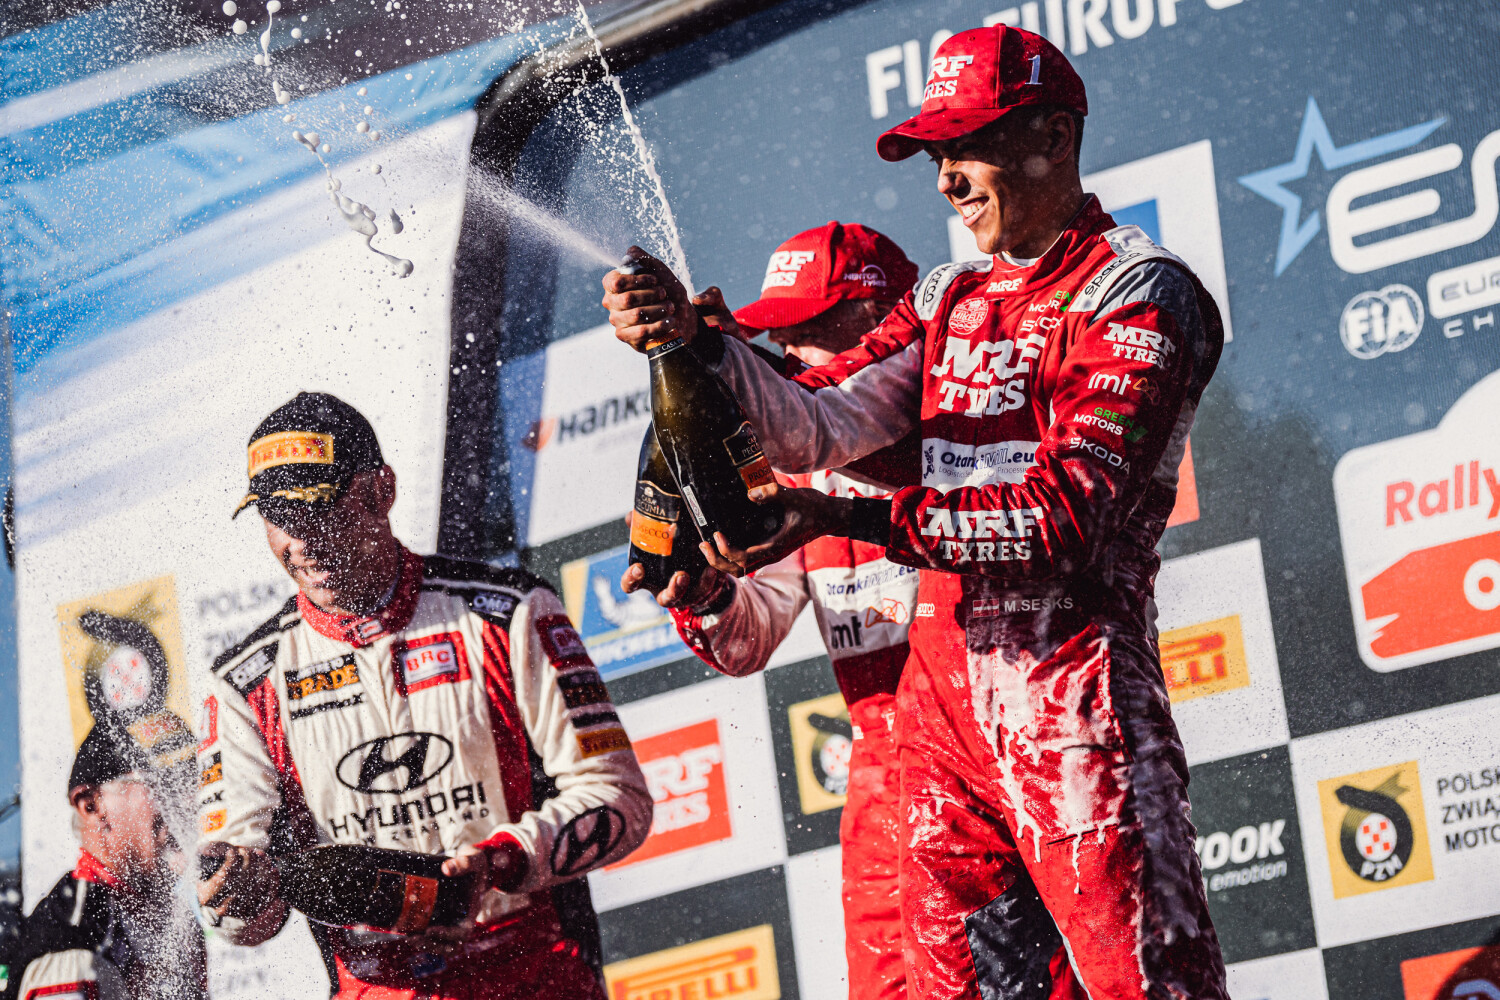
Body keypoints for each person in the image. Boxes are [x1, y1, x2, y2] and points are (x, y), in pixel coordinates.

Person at [602, 24, 1229, 1000]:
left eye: (967, 147)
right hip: (938, 727)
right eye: (936, 154)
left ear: (1056, 136)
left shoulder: (1139, 294)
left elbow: (1062, 522)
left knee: (1147, 988)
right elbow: (816, 423)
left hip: (1075, 703)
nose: (946, 178)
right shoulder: (948, 296)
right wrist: (698, 345)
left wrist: (835, 518)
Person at [197, 392, 652, 999]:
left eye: (317, 508)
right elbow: (240, 923)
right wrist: (237, 895)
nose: (300, 541)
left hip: (532, 970)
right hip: (376, 987)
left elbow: (621, 799)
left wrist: (499, 863)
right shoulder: (244, 685)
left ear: (380, 491)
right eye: (278, 517)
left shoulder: (507, 614)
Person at [628, 220, 922, 1000]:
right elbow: (748, 639)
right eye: (778, 334)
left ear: (883, 319)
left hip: (989, 741)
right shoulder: (793, 469)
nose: (790, 350)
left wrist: (735, 363)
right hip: (882, 775)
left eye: (809, 327)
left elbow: (835, 428)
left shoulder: (956, 425)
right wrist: (708, 591)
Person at [13, 724, 207, 1000]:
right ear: (92, 806)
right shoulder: (75, 936)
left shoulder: (176, 922)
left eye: (189, 782)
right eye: (160, 782)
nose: (186, 803)